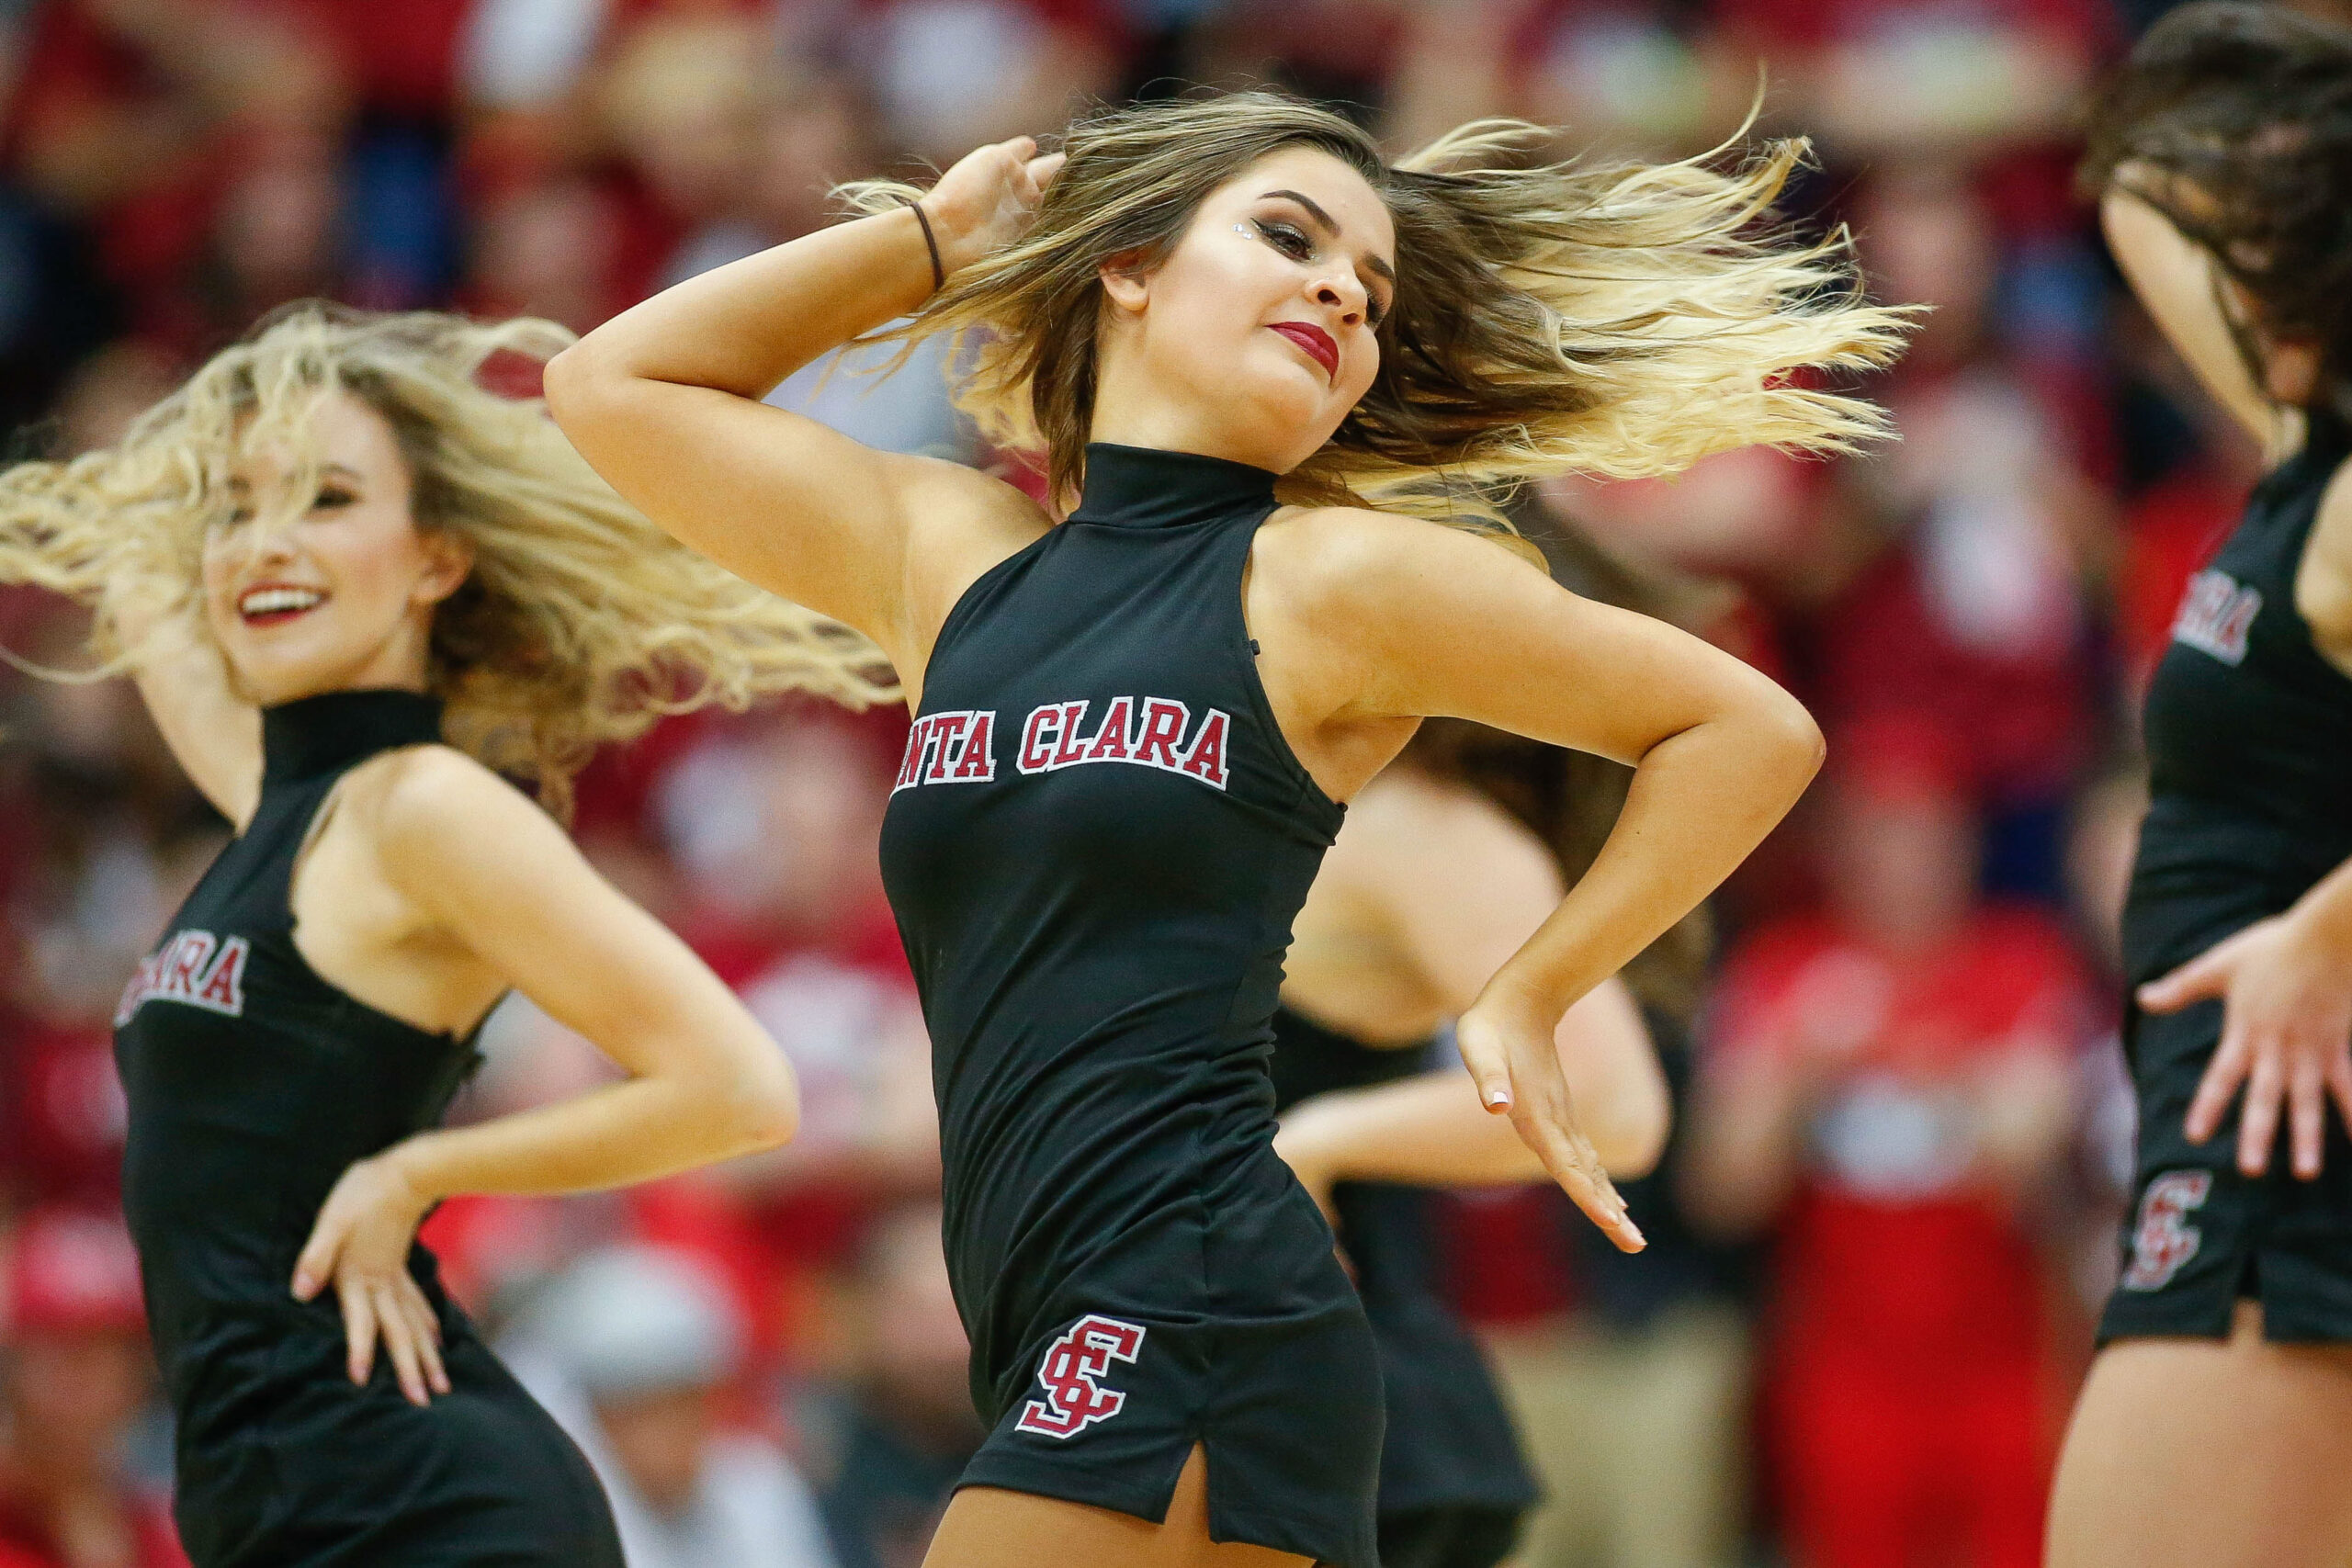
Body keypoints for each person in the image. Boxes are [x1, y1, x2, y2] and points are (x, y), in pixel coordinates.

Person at [547, 90, 1902, 1568]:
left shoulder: (1332, 580)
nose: (1339, 290)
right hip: (1055, 1309)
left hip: (1192, 1293)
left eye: (1371, 294)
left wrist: (1533, 985)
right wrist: (941, 237)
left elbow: (1746, 729)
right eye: (1288, 236)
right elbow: (616, 387)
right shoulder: (952, 564)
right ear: (1126, 264)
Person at [0, 304, 889, 1566]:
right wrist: (239, 405)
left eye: (327, 497)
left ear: (435, 558)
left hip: (422, 1501)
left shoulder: (427, 807)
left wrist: (420, 1173)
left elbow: (738, 1086)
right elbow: (149, 574)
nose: (265, 542)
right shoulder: (285, 810)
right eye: (241, 507)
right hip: (276, 1499)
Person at [2045, 8, 2352, 1567]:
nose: (2221, 291)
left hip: (2281, 1162)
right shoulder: (2310, 429)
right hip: (2248, 1146)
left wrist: (2329, 936)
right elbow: (2141, 180)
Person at [1264, 525, 1685, 1568]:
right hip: (1261, 1394)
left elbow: (1609, 1103)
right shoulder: (1341, 804)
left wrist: (1312, 1142)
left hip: (1330, 1417)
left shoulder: (1419, 827)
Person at [502, 1245, 842, 1568]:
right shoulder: (556, 1520)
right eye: (646, 1408)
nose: (678, 1429)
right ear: (596, 1414)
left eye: (690, 1400)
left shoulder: (761, 1487)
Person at [0, 1210, 187, 1568]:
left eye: (106, 1351)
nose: (76, 1381)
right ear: (14, 1365)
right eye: (58, 1347)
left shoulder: (164, 1534)